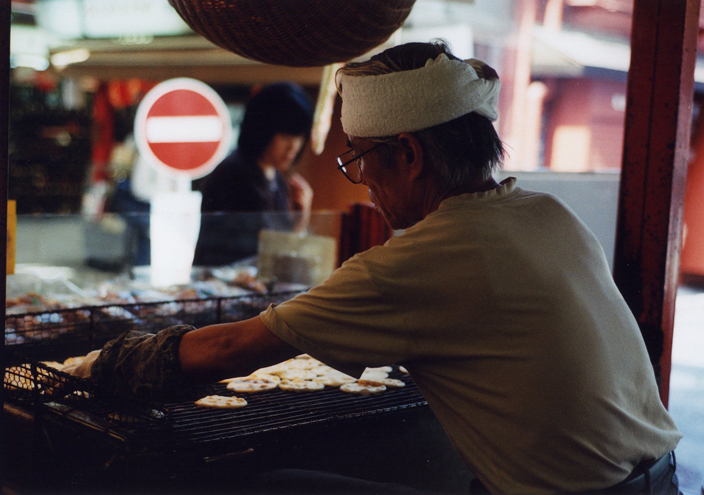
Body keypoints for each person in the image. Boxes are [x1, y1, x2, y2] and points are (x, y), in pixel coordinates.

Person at [68, 41, 682, 494]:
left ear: (409, 154)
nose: (362, 182)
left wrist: (107, 364)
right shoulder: (549, 214)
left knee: (273, 486)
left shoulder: (422, 260)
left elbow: (230, 349)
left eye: (360, 159)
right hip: (661, 481)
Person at [193, 82, 315, 266]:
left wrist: (300, 218)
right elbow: (263, 254)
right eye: (285, 135)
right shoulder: (235, 175)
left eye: (299, 136)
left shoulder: (276, 177)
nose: (294, 146)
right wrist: (300, 222)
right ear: (263, 130)